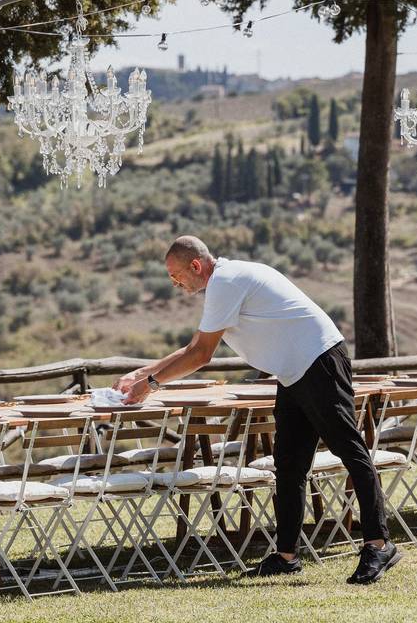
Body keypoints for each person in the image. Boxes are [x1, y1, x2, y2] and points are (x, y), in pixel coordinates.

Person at [114, 235, 401, 585]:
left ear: (196, 265)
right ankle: (286, 556)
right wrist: (141, 374)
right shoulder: (224, 281)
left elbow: (202, 355)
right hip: (294, 370)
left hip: (319, 359)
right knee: (289, 464)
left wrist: (153, 384)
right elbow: (194, 346)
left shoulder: (225, 281)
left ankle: (379, 543)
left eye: (176, 275)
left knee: (350, 450)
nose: (174, 284)